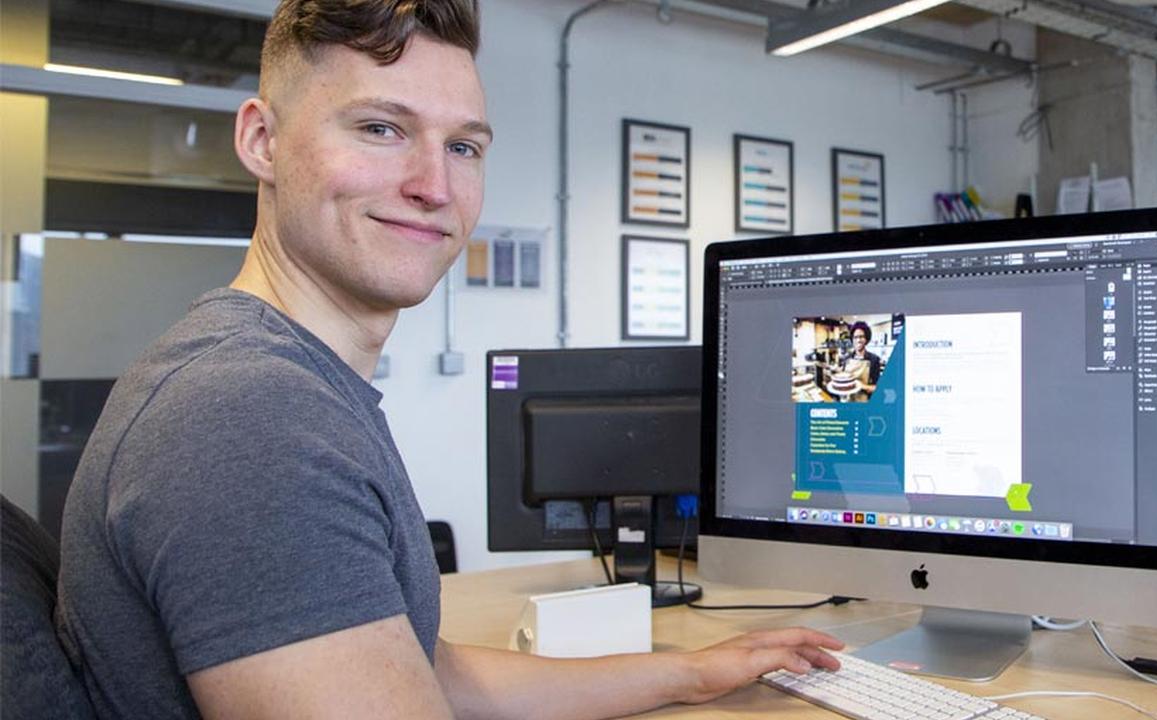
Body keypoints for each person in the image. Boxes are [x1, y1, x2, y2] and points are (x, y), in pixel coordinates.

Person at [56, 2, 842, 719]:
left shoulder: (284, 380)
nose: (435, 185)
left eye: (462, 146)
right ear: (262, 140)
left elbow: (425, 673)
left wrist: (689, 674)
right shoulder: (249, 416)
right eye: (380, 129)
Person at [842, 321, 881, 402]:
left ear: (866, 339)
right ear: (852, 339)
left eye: (861, 336)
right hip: (847, 401)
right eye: (855, 337)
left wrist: (862, 386)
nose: (858, 340)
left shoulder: (874, 359)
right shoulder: (846, 358)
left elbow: (878, 388)